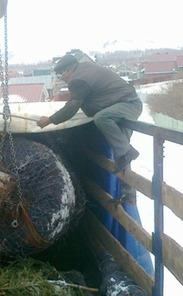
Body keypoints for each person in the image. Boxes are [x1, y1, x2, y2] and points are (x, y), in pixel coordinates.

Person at [37, 54, 143, 205]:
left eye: (62, 75)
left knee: (102, 119)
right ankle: (129, 193)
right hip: (121, 105)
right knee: (121, 151)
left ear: (70, 69)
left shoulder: (79, 79)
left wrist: (49, 120)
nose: (62, 78)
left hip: (128, 105)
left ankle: (128, 153)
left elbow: (70, 109)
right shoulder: (86, 69)